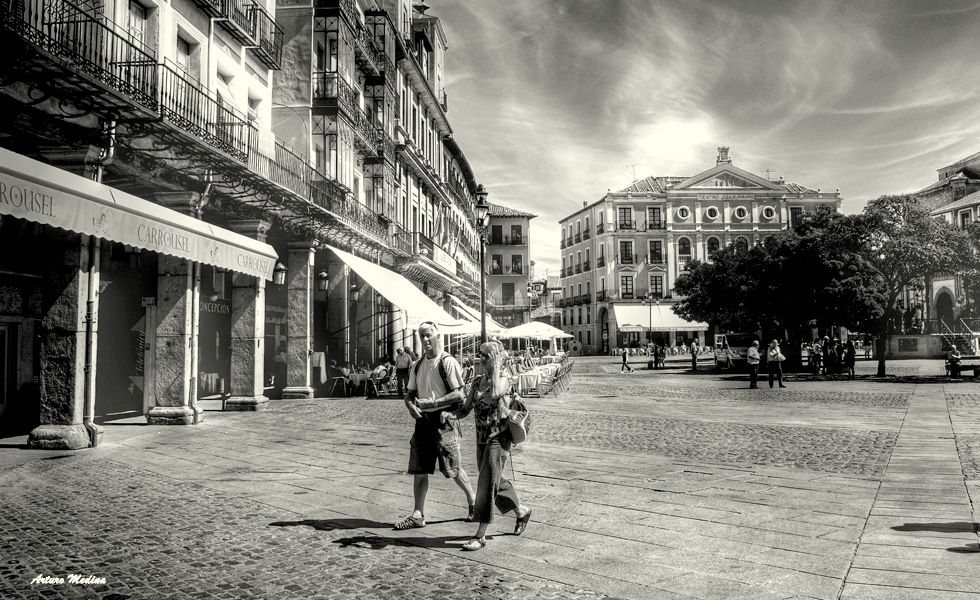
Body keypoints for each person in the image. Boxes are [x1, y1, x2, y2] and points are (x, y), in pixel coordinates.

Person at [442, 341, 532, 551]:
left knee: (486, 485)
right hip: (481, 440)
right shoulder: (476, 382)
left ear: (497, 358)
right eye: (480, 355)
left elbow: (494, 394)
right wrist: (449, 414)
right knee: (496, 480)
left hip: (499, 439)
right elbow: (465, 410)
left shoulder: (504, 379)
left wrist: (498, 365)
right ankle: (521, 511)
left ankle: (480, 535)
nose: (481, 359)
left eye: (486, 356)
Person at [395, 322, 476, 530]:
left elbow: (460, 394)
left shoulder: (447, 362)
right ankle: (417, 514)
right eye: (421, 336)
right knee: (419, 469)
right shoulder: (418, 365)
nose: (424, 340)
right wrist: (410, 406)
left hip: (443, 421)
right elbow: (409, 395)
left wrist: (434, 403)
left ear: (437, 336)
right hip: (422, 422)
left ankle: (473, 501)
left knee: (453, 468)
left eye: (428, 335)